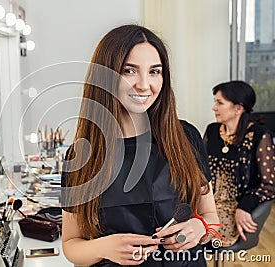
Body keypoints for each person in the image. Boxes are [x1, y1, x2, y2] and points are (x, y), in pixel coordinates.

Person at [60, 24, 219, 267]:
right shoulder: (83, 154)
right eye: (129, 71)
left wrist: (199, 227)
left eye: (155, 71)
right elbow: (71, 244)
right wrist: (104, 247)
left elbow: (211, 219)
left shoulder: (186, 137)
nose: (145, 85)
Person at [203, 81, 275, 247]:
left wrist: (245, 207)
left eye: (219, 103)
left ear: (238, 108)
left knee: (194, 240)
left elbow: (270, 185)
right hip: (206, 205)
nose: (214, 107)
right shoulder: (213, 131)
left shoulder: (260, 136)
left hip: (233, 209)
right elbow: (201, 171)